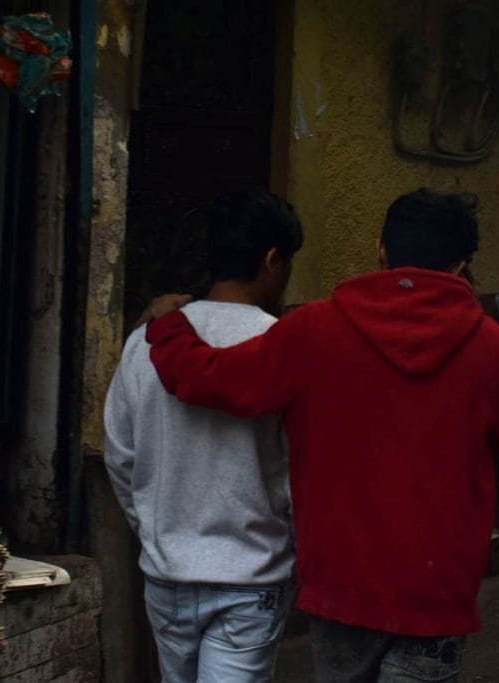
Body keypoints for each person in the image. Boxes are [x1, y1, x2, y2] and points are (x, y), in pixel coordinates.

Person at [144, 187, 499, 682]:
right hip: (435, 592)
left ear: (381, 249)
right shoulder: (492, 348)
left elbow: (211, 378)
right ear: (461, 264)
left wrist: (170, 329)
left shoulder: (314, 329)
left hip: (342, 586)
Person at [103, 189, 304, 682]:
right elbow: (301, 471)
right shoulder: (283, 348)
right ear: (272, 260)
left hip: (168, 573)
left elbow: (120, 456)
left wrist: (156, 527)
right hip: (251, 576)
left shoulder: (147, 342)